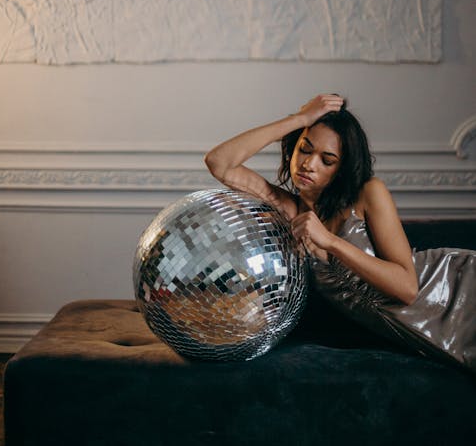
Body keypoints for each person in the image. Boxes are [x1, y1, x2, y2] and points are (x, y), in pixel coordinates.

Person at [204, 93, 476, 373]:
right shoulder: (288, 210)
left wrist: (331, 242)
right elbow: (219, 162)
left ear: (341, 169)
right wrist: (300, 120)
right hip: (423, 336)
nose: (309, 164)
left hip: (456, 293)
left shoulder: (368, 193)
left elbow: (407, 288)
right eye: (305, 149)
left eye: (327, 159)